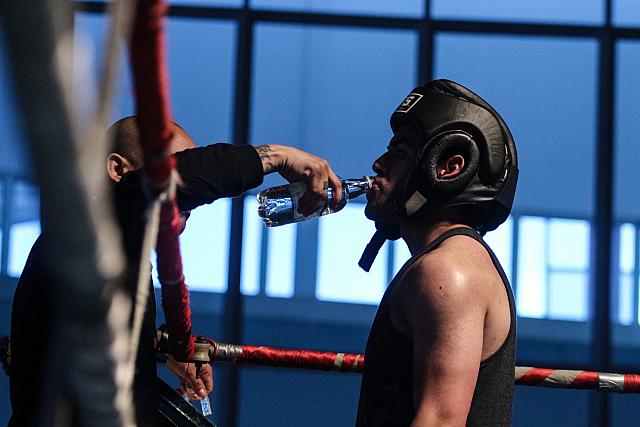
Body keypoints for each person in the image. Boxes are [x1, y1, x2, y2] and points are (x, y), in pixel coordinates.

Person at [9, 116, 343, 426]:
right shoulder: (84, 236)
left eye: (188, 210)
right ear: (118, 170)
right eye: (176, 170)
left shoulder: (112, 261)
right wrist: (277, 157)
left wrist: (158, 348)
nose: (182, 217)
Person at [356, 80, 518, 426]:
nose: (378, 164)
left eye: (398, 152)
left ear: (447, 168)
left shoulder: (448, 270)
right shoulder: (446, 262)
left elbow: (441, 421)